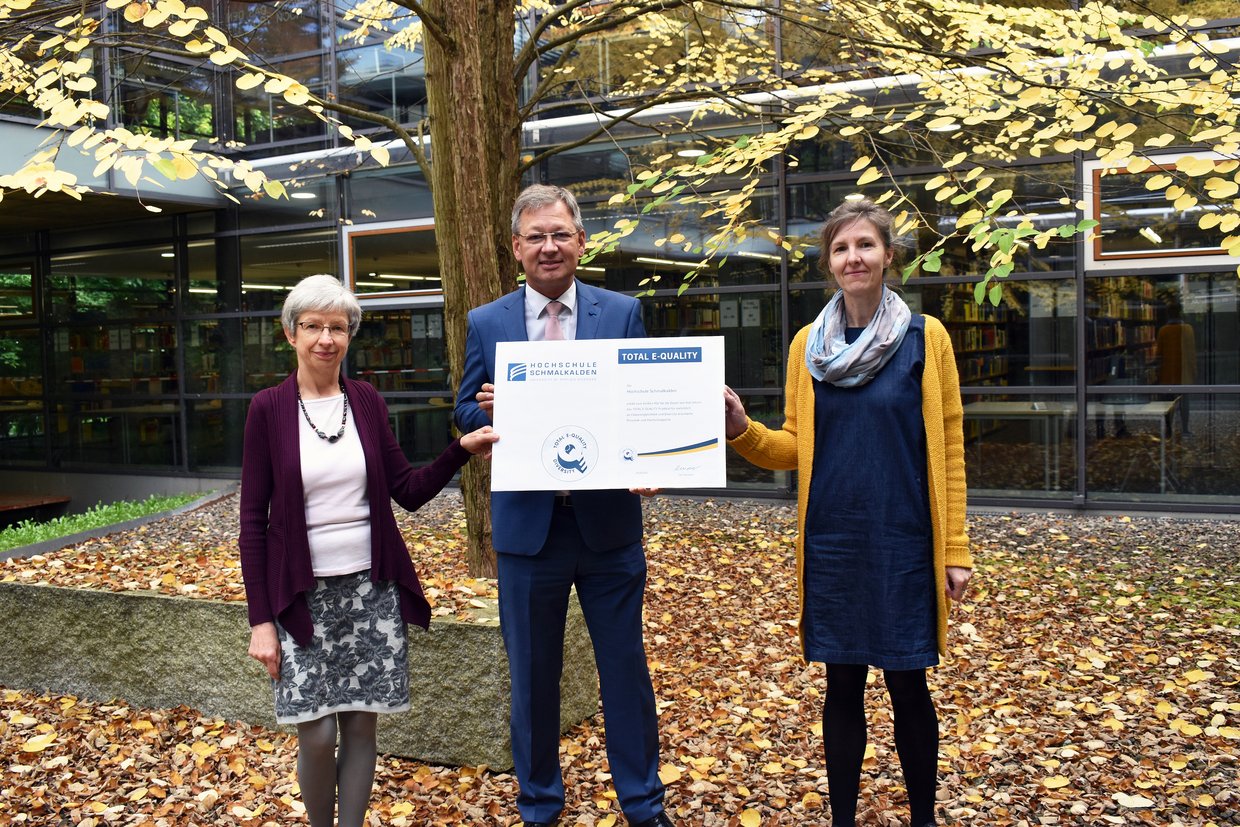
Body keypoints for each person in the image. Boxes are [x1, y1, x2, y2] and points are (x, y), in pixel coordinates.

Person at [723, 199, 973, 827]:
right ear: (829, 263)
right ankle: (842, 819)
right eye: (840, 249)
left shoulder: (926, 338)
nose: (853, 258)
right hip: (832, 541)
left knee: (909, 686)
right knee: (841, 687)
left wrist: (957, 550)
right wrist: (740, 431)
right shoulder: (809, 347)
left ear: (889, 256)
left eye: (865, 245)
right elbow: (794, 447)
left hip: (903, 539)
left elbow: (948, 448)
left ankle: (922, 818)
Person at [239, 274, 498, 827]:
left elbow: (406, 490)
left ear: (349, 335)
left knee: (361, 726)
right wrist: (261, 620)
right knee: (317, 731)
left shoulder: (366, 400)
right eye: (312, 326)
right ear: (291, 334)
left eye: (337, 327)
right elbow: (251, 523)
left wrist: (460, 450)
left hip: (370, 587)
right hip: (302, 597)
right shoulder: (267, 409)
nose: (325, 339)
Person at [454, 184, 675, 827]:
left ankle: (642, 804)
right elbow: (466, 406)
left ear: (580, 242)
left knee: (625, 673)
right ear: (516, 248)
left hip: (608, 525)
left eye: (560, 234)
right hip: (529, 531)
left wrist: (652, 460)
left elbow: (644, 400)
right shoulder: (488, 322)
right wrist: (486, 413)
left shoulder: (622, 311)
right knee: (532, 678)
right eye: (535, 237)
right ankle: (539, 807)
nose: (548, 247)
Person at [1156, 297, 1196, 435]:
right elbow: (1191, 353)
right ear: (1181, 312)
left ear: (1168, 314)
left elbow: (1158, 354)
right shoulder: (1188, 329)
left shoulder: (1163, 331)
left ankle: (1168, 429)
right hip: (1184, 373)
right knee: (1185, 402)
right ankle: (1184, 429)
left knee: (1167, 403)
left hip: (1167, 373)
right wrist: (1193, 372)